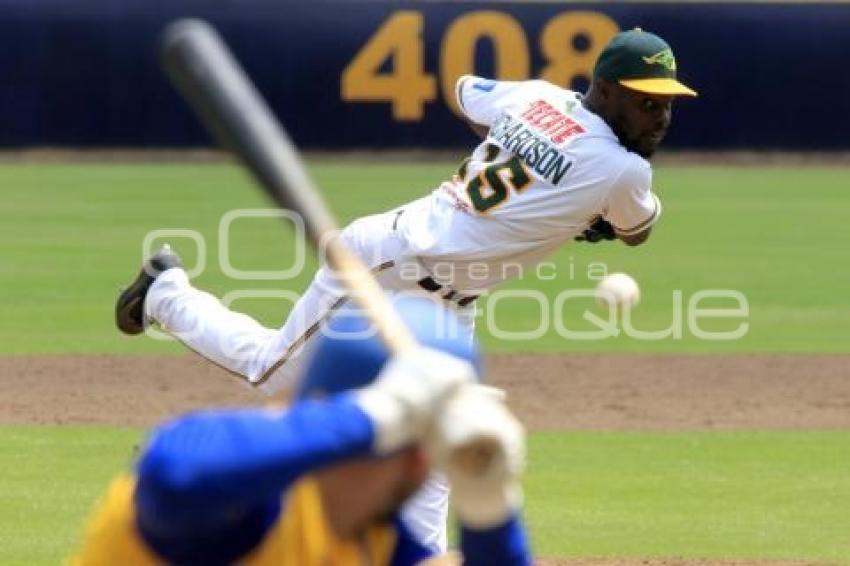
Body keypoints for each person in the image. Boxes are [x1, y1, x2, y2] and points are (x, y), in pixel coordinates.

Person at [115, 28, 696, 550]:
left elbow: (468, 91)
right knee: (276, 373)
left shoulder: (536, 98)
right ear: (605, 88)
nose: (660, 116)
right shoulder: (625, 171)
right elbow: (634, 231)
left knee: (437, 430)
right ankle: (164, 293)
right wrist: (569, 197)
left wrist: (518, 142)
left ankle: (426, 554)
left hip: (444, 307)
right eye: (647, 101)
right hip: (384, 267)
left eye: (666, 103)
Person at [74, 296, 531, 565]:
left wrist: (487, 508)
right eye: (414, 440)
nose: (425, 463)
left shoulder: (372, 540)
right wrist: (376, 414)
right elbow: (175, 476)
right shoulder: (254, 508)